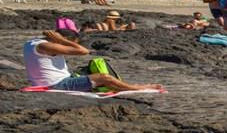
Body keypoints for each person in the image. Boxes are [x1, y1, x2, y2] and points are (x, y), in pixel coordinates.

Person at [21, 26, 155, 94]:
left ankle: (119, 87)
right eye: (70, 43)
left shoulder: (31, 42)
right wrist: (62, 40)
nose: (67, 46)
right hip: (57, 85)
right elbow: (83, 51)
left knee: (92, 70)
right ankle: (136, 88)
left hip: (52, 81)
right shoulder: (46, 46)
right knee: (103, 77)